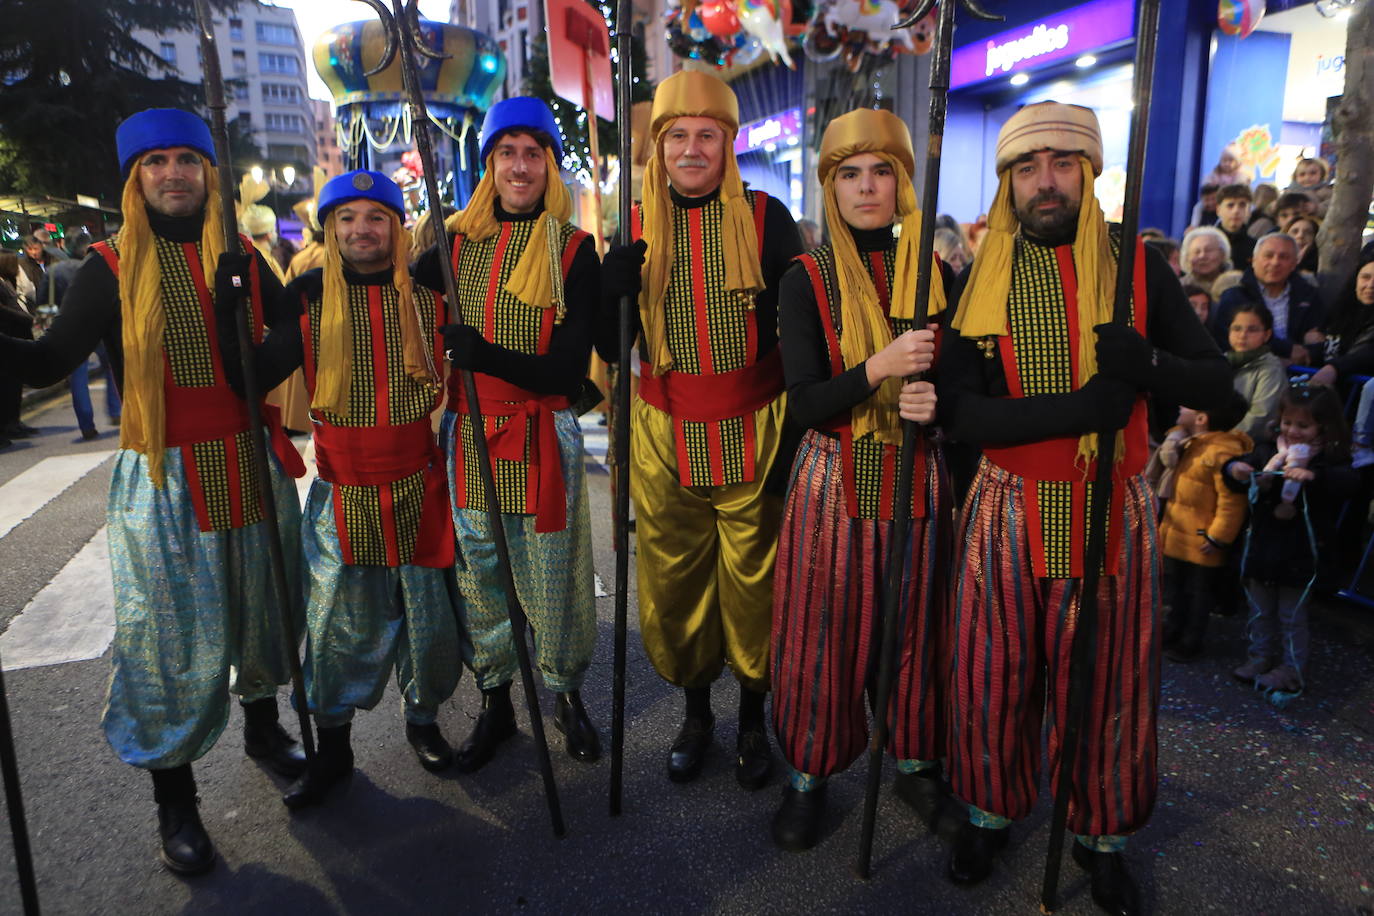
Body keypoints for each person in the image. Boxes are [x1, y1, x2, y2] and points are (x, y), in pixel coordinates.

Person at [928, 101, 1231, 914]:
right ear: (1007, 182)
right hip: (1006, 506)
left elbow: (1221, 388)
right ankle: (990, 814)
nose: (1045, 181)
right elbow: (959, 414)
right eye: (1027, 168)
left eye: (1063, 162)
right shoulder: (978, 276)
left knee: (1110, 682)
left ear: (1089, 171)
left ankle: (1104, 838)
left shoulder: (1138, 264)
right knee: (993, 674)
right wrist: (1082, 409)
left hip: (1110, 506)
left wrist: (1152, 363)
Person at [0, 108, 306, 875]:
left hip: (245, 460)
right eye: (156, 162)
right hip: (164, 477)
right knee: (167, 645)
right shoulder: (108, 263)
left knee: (262, 609)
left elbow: (278, 352)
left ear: (209, 172)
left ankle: (265, 730)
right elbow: (47, 363)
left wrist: (268, 323)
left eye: (187, 160)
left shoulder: (238, 253)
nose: (174, 173)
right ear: (135, 177)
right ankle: (177, 800)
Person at [216, 169, 463, 808]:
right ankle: (334, 753)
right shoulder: (305, 296)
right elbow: (251, 379)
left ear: (396, 227)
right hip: (341, 492)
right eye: (346, 218)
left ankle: (423, 723)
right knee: (330, 632)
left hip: (419, 485)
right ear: (330, 229)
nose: (361, 230)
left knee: (426, 623)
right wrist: (229, 308)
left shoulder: (432, 293)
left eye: (375, 217)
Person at [597, 69, 804, 789]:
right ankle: (695, 713)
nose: (690, 149)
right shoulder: (633, 225)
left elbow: (804, 327)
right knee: (676, 581)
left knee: (757, 585)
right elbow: (604, 342)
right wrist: (610, 290)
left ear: (727, 143)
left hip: (755, 423)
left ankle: (753, 719)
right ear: (658, 147)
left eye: (705, 136)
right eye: (676, 136)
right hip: (663, 429)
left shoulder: (767, 216)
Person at [769, 109, 950, 851]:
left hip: (918, 475)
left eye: (882, 172)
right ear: (830, 187)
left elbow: (966, 388)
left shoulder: (941, 273)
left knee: (915, 628)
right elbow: (806, 399)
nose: (867, 188)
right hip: (833, 475)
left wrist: (936, 404)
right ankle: (809, 773)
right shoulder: (803, 279)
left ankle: (913, 760)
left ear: (903, 182)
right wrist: (879, 369)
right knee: (823, 633)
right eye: (850, 175)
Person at [415, 96, 603, 770]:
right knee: (480, 576)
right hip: (469, 435)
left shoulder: (575, 252)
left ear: (549, 164)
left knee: (554, 573)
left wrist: (484, 353)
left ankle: (566, 692)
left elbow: (566, 365)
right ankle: (496, 703)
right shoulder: (450, 245)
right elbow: (379, 282)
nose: (519, 167)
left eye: (533, 153)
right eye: (506, 153)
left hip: (540, 431)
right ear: (487, 164)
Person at [1225, 385, 1356, 695]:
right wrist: (1235, 469)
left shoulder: (1328, 458)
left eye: (1303, 425)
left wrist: (1314, 477)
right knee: (1259, 609)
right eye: (1287, 422)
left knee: (1291, 615)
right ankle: (1260, 656)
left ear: (1322, 426)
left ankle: (1291, 669)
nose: (1293, 431)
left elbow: (1349, 482)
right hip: (1263, 546)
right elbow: (1237, 468)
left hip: (1300, 552)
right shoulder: (1268, 449)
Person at [1153, 395, 1251, 662]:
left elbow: (1232, 501)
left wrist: (1218, 536)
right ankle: (1173, 630)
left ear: (1201, 418)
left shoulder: (1221, 452)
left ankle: (1190, 641)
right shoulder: (1192, 443)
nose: (1180, 406)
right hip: (1178, 533)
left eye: (1187, 405)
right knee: (1176, 589)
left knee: (1197, 595)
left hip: (1202, 539)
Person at [1215, 233, 1325, 363]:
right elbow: (1230, 340)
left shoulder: (1309, 296)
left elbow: (1317, 340)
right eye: (1268, 256)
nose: (1275, 262)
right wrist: (1287, 351)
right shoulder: (1234, 296)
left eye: (1283, 257)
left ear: (1294, 263)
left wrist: (1306, 353)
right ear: (1254, 260)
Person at [1310, 254, 1374, 389]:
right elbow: (1332, 347)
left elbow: (1365, 353)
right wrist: (1303, 354)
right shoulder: (1342, 312)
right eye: (1365, 277)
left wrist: (1334, 368)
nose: (1370, 285)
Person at [1228, 302, 1287, 444]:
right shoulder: (1221, 361)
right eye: (1236, 329)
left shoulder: (1271, 370)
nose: (1242, 335)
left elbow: (1260, 418)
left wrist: (1220, 439)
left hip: (1246, 444)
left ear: (1267, 335)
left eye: (1252, 330)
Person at [1179, 226, 1231, 298]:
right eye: (1196, 252)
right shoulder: (1179, 288)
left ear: (1222, 254)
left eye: (1208, 250)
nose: (1202, 256)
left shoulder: (1234, 285)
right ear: (1187, 258)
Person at [1215, 184, 1256, 272]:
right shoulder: (1206, 242)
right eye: (1230, 205)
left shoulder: (1255, 247)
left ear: (1249, 211)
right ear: (1218, 210)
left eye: (1242, 205)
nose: (1236, 211)